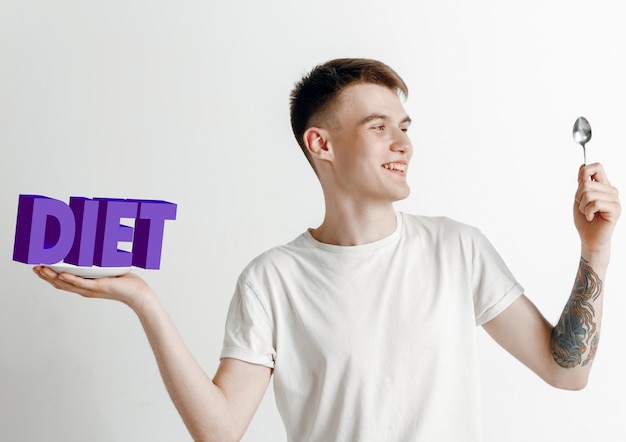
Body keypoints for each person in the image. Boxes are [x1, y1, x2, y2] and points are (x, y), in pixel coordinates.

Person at [34, 58, 621, 442]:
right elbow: (218, 430)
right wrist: (145, 302)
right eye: (378, 126)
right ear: (322, 144)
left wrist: (594, 248)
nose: (403, 144)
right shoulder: (273, 280)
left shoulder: (455, 248)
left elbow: (566, 373)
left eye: (406, 126)